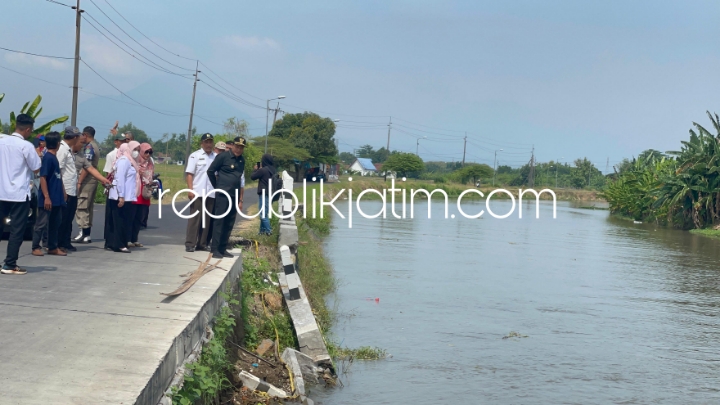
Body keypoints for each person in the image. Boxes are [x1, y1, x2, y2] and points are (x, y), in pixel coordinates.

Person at [0, 114, 42, 274]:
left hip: (1, 191)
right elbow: (36, 168)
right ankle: (10, 264)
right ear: (28, 129)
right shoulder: (26, 146)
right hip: (18, 194)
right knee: (17, 230)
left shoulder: (1, 142)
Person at [206, 136, 245, 259]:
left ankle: (223, 248)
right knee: (219, 221)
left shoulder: (242, 161)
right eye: (237, 146)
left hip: (234, 194)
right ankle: (215, 249)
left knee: (229, 222)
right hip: (223, 194)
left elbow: (239, 179)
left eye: (241, 148)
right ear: (233, 145)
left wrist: (240, 198)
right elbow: (210, 171)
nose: (239, 149)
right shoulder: (223, 157)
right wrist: (217, 186)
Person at [31, 132, 66, 257]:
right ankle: (35, 246)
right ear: (57, 144)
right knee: (41, 223)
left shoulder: (54, 158)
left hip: (57, 197)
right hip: (48, 198)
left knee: (55, 223)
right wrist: (46, 197)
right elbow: (43, 177)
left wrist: (63, 191)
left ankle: (52, 246)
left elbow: (58, 177)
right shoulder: (47, 158)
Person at [184, 133, 217, 252]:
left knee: (207, 220)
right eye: (206, 142)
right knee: (195, 219)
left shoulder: (216, 157)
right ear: (201, 143)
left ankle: (202, 243)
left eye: (210, 142)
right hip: (198, 191)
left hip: (211, 192)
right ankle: (190, 243)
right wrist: (190, 190)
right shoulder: (195, 156)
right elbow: (189, 174)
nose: (208, 144)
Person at [107, 141, 140, 253]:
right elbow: (120, 179)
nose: (137, 152)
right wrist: (121, 196)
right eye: (135, 149)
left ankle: (118, 242)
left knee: (124, 220)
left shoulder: (131, 161)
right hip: (120, 196)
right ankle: (119, 244)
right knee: (120, 221)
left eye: (138, 150)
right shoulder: (124, 161)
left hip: (127, 196)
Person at [74, 126, 102, 243]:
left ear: (85, 135)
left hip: (87, 180)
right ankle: (86, 233)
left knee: (82, 205)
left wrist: (79, 181)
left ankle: (83, 232)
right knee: (88, 206)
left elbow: (87, 167)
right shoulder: (94, 145)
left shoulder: (89, 147)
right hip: (92, 180)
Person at [56, 126, 81, 253]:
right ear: (75, 137)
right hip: (66, 189)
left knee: (69, 217)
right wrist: (63, 190)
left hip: (72, 189)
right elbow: (58, 170)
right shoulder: (62, 149)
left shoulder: (68, 150)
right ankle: (60, 243)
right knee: (64, 218)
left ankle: (66, 241)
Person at [128, 143, 154, 247]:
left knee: (140, 218)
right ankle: (128, 238)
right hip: (135, 191)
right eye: (146, 152)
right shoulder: (134, 161)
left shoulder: (150, 162)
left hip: (145, 192)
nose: (148, 154)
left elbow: (150, 176)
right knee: (131, 217)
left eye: (150, 152)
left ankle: (135, 239)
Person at [251, 154, 277, 236]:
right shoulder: (273, 170)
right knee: (265, 213)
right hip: (271, 194)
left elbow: (253, 177)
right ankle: (261, 232)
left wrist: (255, 170)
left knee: (263, 214)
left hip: (264, 193)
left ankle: (269, 231)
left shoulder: (263, 170)